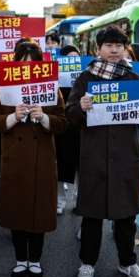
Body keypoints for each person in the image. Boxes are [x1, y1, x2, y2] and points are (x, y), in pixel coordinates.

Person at [66, 25, 139, 277]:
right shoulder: (85, 78)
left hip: (126, 157)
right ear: (98, 49)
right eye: (109, 45)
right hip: (94, 158)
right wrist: (79, 107)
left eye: (119, 45)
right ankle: (87, 264)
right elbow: (71, 115)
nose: (114, 49)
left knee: (126, 217)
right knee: (92, 216)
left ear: (125, 48)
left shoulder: (134, 80)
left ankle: (128, 262)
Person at [0, 40, 67, 277]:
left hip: (42, 158)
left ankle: (36, 260)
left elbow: (63, 123)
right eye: (23, 64)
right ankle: (21, 259)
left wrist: (44, 118)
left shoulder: (52, 89)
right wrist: (12, 117)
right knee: (16, 210)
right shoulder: (3, 89)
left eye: (33, 64)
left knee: (39, 211)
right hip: (14, 158)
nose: (28, 69)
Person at [55, 45, 81, 215]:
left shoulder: (84, 79)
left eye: (76, 58)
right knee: (61, 166)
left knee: (81, 166)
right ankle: (60, 200)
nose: (73, 62)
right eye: (68, 58)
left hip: (80, 128)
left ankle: (80, 199)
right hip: (63, 128)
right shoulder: (56, 79)